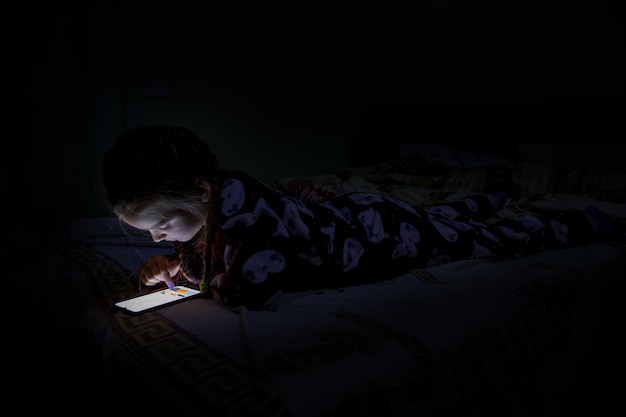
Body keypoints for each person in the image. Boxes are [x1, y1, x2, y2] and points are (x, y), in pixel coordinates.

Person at [101, 125, 624, 311]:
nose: (157, 236)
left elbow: (252, 292)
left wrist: (189, 274)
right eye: (152, 231)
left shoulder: (241, 205)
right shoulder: (212, 202)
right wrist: (170, 261)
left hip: (382, 237)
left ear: (199, 191)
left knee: (479, 239)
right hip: (355, 216)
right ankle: (480, 199)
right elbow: (206, 251)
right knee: (441, 217)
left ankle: (584, 222)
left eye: (162, 226)